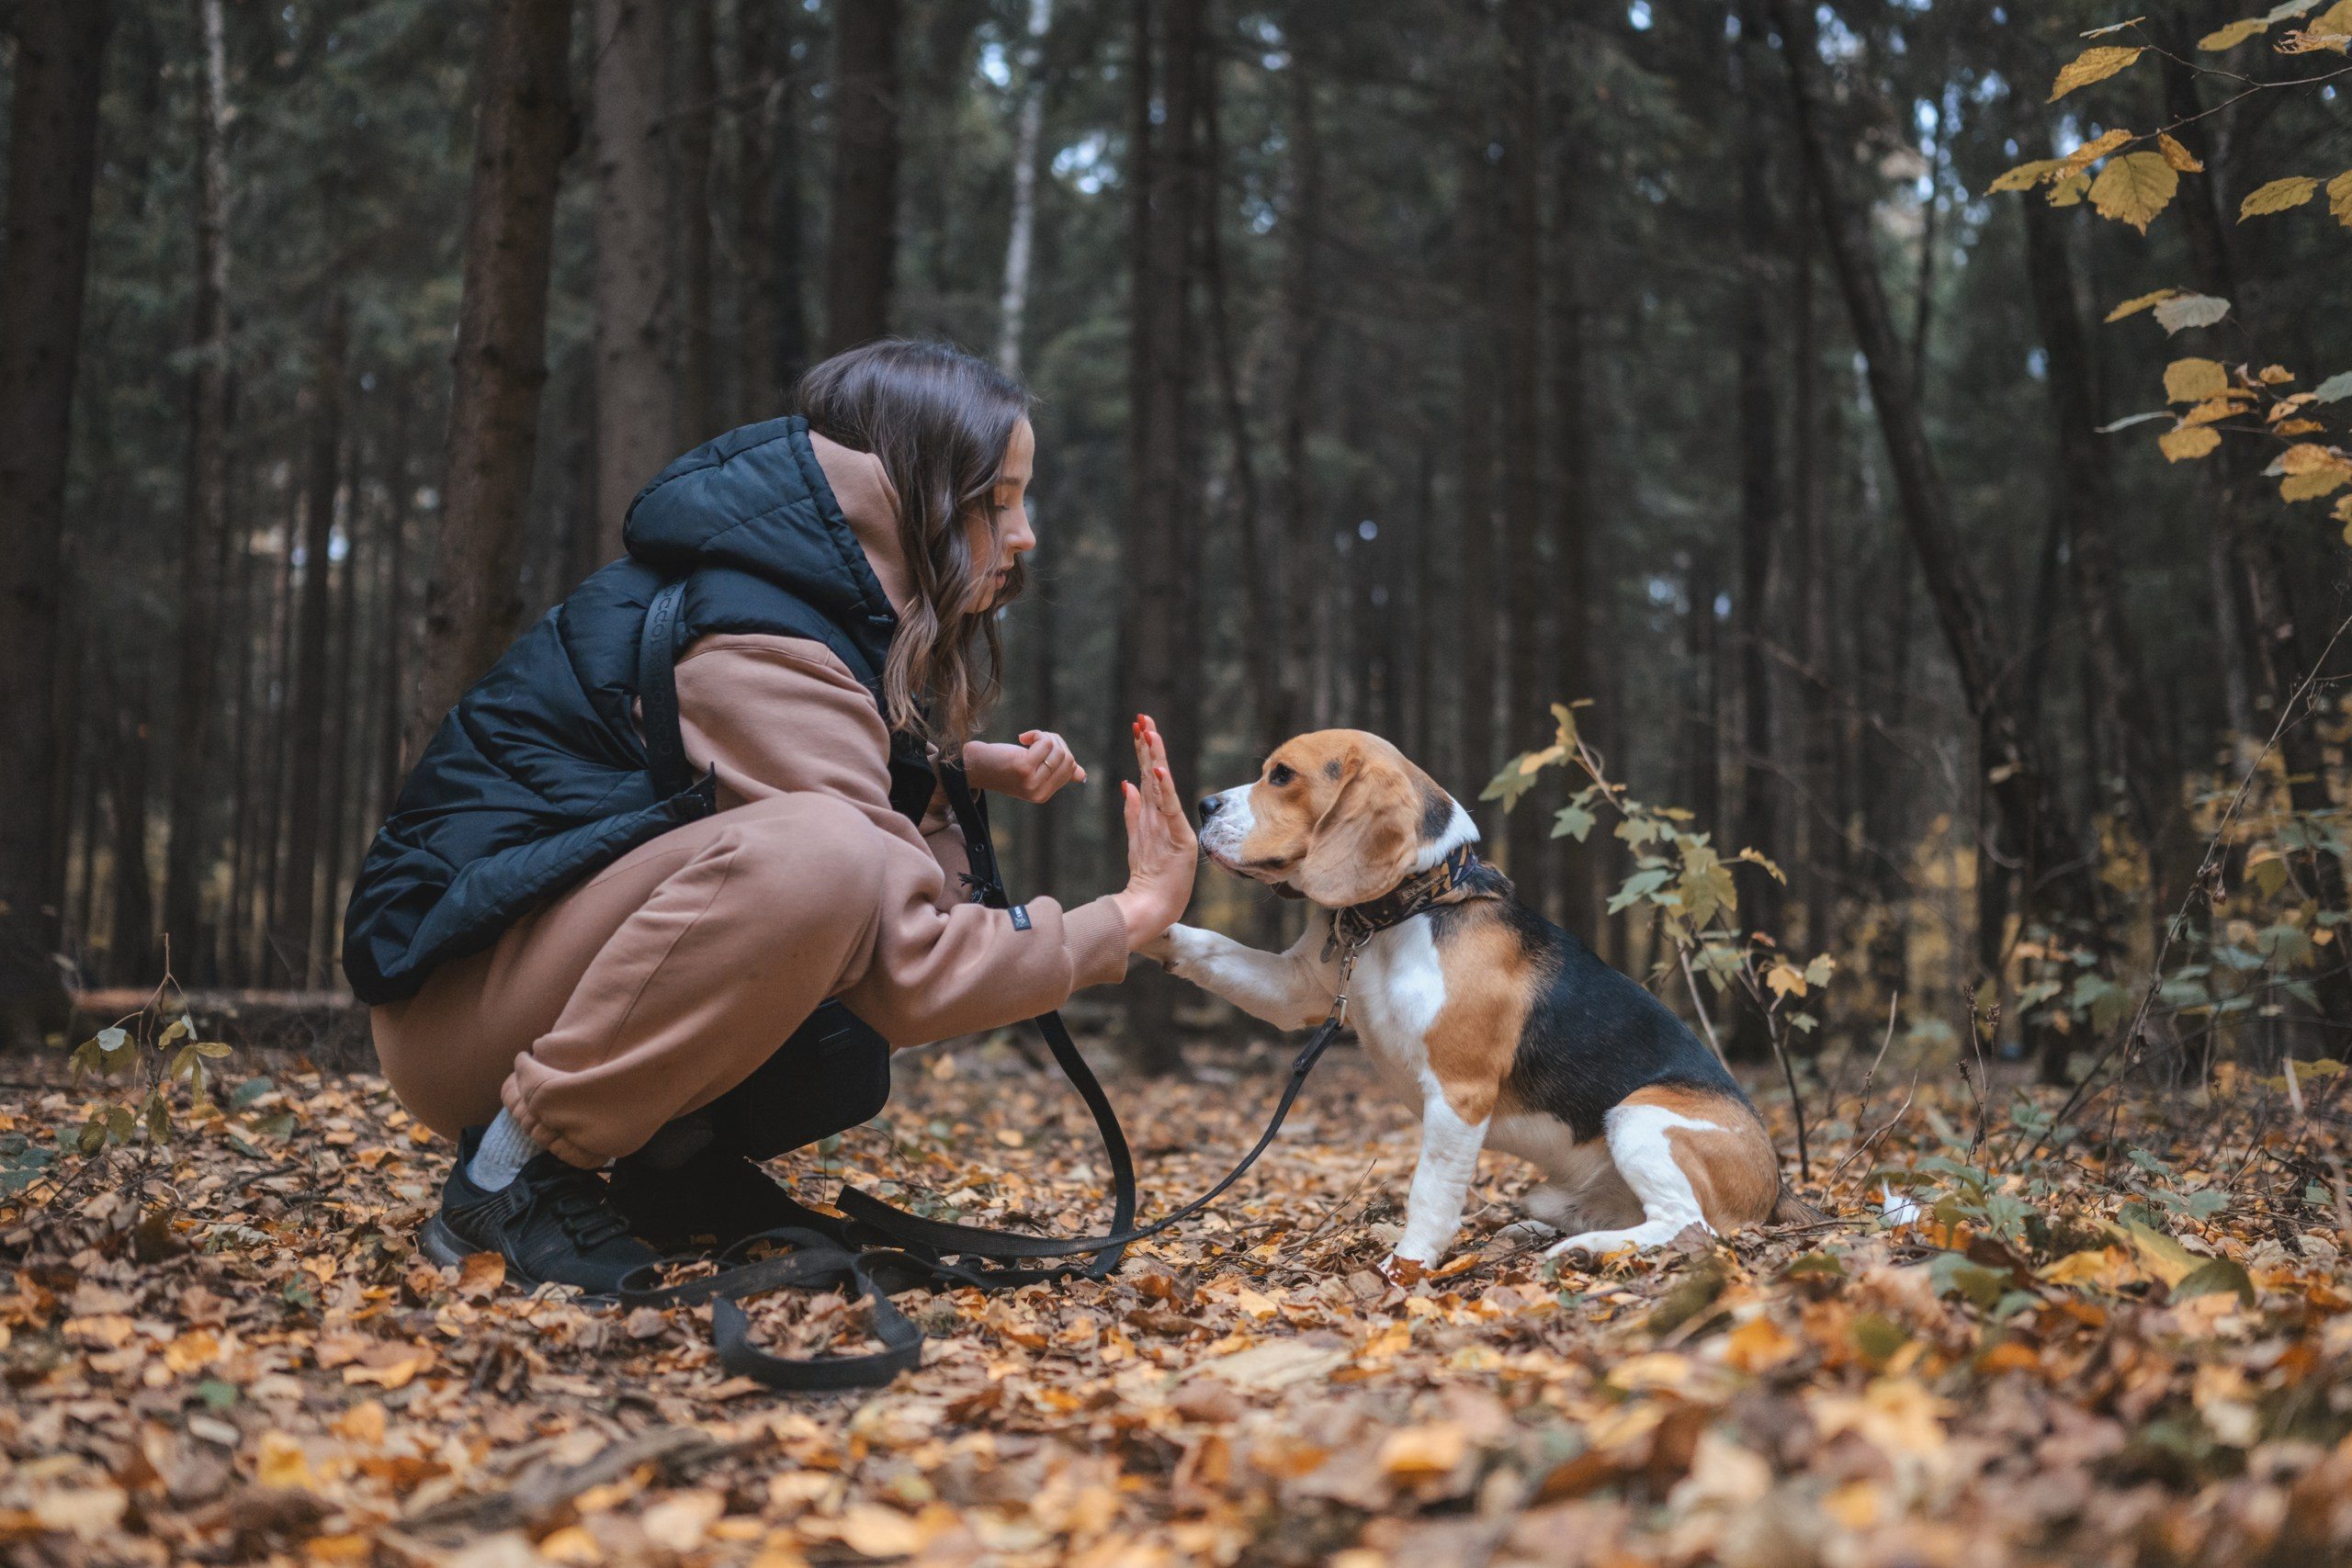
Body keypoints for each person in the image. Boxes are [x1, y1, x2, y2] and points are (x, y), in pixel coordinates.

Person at [342, 340, 1200, 1292]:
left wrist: (939, 771)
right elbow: (906, 969)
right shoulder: (757, 637)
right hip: (454, 1021)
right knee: (822, 862)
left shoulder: (808, 607)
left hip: (530, 981)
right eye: (996, 500)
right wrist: (1130, 913)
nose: (1026, 533)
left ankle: (675, 1170)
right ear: (907, 498)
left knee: (840, 1015)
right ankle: (512, 1177)